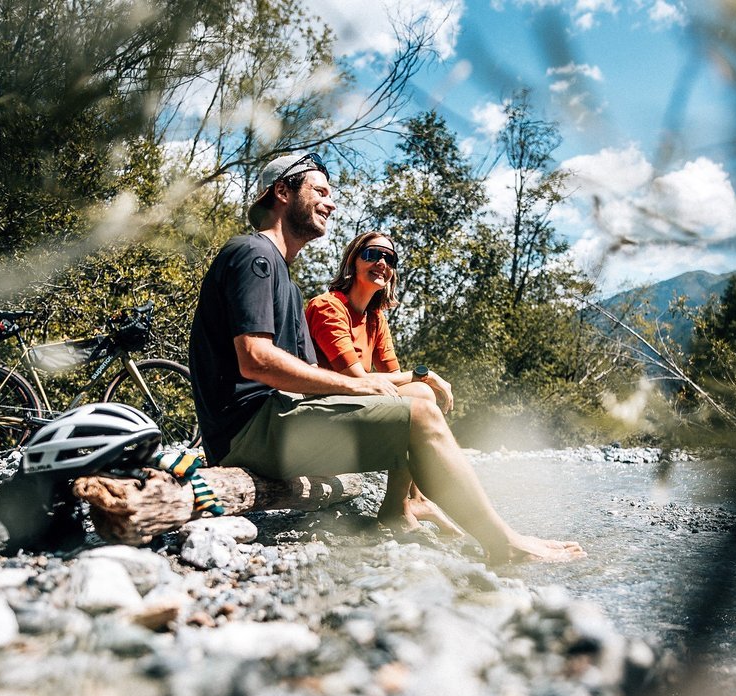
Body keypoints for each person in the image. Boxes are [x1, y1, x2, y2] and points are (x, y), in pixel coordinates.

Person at [188, 151, 584, 564]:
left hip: (275, 421)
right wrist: (359, 385)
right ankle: (501, 543)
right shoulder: (253, 255)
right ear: (283, 191)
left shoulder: (282, 275)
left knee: (418, 400)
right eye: (320, 191)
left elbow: (304, 373)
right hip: (250, 433)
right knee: (421, 415)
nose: (331, 202)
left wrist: (388, 389)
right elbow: (255, 360)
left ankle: (405, 511)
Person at [305, 230, 461, 536]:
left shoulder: (375, 318)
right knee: (418, 391)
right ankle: (395, 509)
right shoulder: (327, 307)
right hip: (318, 419)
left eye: (389, 258)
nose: (381, 262)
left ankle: (414, 501)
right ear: (353, 260)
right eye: (372, 254)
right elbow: (357, 380)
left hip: (351, 409)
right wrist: (423, 374)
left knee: (418, 396)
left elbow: (395, 382)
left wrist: (420, 380)